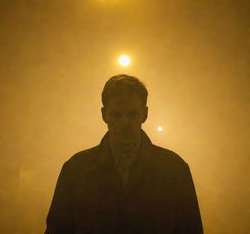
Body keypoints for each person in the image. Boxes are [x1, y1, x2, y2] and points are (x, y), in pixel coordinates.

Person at [44, 74, 204, 234]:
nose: (124, 123)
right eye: (117, 114)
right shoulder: (173, 168)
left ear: (145, 113)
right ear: (103, 114)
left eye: (132, 114)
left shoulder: (77, 168)